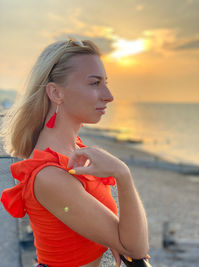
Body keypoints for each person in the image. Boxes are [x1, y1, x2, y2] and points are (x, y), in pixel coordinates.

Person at [1, 37, 149, 267]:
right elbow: (135, 248)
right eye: (94, 83)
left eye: (105, 82)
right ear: (56, 94)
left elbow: (119, 238)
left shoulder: (73, 149)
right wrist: (123, 174)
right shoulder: (49, 175)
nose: (109, 95)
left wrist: (113, 237)